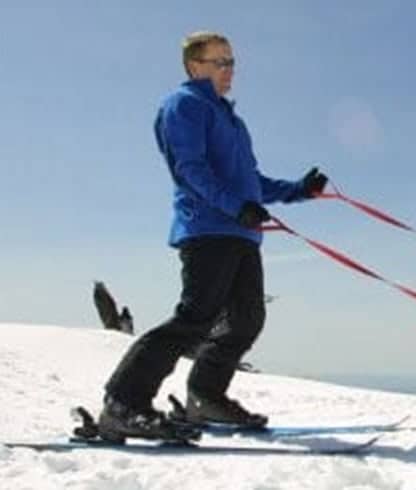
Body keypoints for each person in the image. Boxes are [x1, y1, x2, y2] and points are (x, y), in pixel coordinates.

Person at [97, 31, 328, 441]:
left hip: (242, 233)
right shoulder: (184, 105)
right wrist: (235, 206)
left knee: (246, 320)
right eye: (220, 62)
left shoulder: (231, 120)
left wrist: (298, 189)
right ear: (195, 66)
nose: (230, 70)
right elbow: (190, 169)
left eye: (232, 61)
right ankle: (123, 403)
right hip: (207, 229)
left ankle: (205, 397)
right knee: (197, 317)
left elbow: (251, 181)